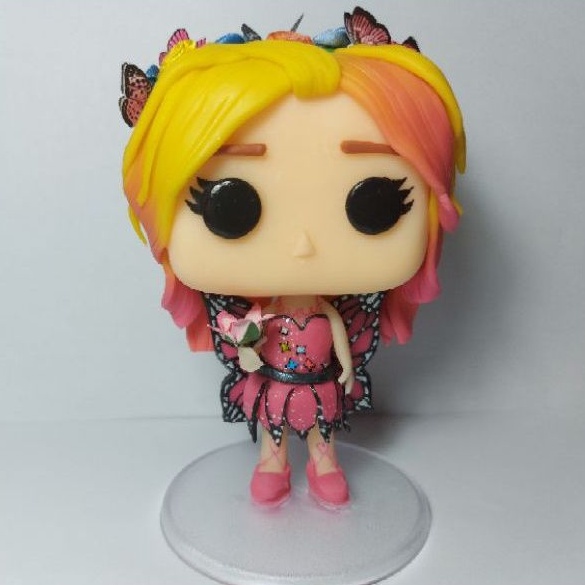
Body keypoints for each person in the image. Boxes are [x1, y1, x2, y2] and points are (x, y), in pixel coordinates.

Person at [121, 8, 465, 507]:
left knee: (323, 427)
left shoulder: (327, 312)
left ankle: (324, 465)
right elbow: (247, 342)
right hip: (276, 379)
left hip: (320, 381)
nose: (302, 246)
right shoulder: (262, 316)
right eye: (228, 204)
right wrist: (247, 351)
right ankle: (272, 464)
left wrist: (346, 368)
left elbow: (342, 337)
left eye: (376, 202)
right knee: (273, 425)